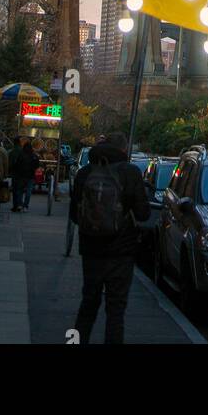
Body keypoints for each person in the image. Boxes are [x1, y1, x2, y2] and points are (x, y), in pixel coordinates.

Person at [70, 132, 150, 345]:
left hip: (91, 250)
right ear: (124, 149)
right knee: (116, 311)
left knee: (88, 305)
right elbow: (144, 214)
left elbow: (74, 216)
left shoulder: (85, 173)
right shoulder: (131, 173)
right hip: (122, 252)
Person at [11, 139, 39, 212]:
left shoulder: (21, 154)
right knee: (28, 192)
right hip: (30, 176)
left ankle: (20, 204)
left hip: (21, 176)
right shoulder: (34, 156)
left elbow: (16, 164)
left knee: (19, 191)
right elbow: (37, 165)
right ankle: (25, 206)